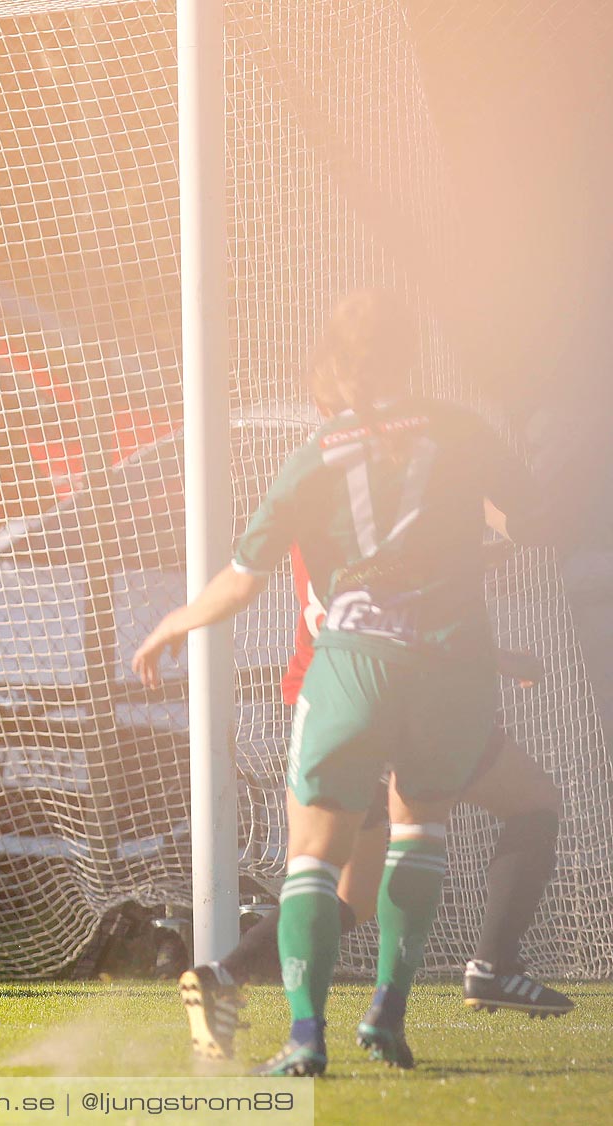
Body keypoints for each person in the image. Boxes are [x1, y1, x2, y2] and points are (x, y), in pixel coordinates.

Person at [133, 290, 555, 1076]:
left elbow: (259, 582)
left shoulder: (317, 459)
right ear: (414, 353)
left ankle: (299, 1030)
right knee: (416, 843)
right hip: (440, 673)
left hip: (345, 681)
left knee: (318, 867)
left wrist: (173, 623)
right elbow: (511, 531)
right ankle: (398, 1008)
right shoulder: (458, 434)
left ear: (328, 373)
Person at [178, 549, 574, 1065]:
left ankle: (226, 978)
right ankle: (479, 970)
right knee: (524, 801)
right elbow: (391, 593)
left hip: (319, 698)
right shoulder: (380, 498)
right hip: (389, 684)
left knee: (348, 892)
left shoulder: (325, 492)